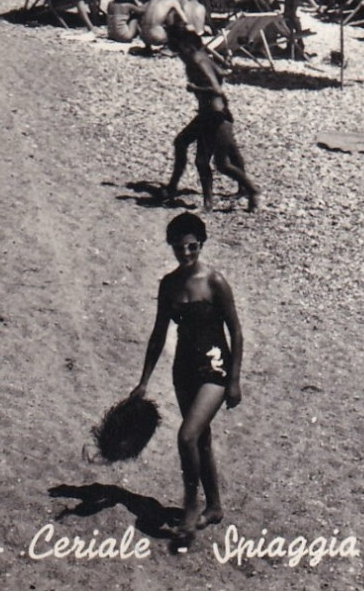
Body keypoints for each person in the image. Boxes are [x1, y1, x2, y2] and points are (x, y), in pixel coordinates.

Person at [132, 213, 243, 552]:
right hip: (184, 368)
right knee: (202, 440)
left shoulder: (215, 282)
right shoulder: (168, 285)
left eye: (192, 247)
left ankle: (190, 507)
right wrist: (144, 381)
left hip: (215, 368)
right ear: (172, 248)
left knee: (187, 436)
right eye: (180, 248)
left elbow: (235, 332)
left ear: (201, 245)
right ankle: (215, 506)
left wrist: (235, 380)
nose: (186, 253)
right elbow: (158, 335)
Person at [165, 23, 261, 212]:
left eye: (180, 50)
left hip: (216, 117)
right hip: (209, 114)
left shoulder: (197, 62)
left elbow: (216, 89)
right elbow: (222, 75)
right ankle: (208, 202)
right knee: (193, 151)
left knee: (220, 163)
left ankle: (252, 190)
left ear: (187, 47)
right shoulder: (202, 58)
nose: (180, 55)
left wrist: (196, 88)